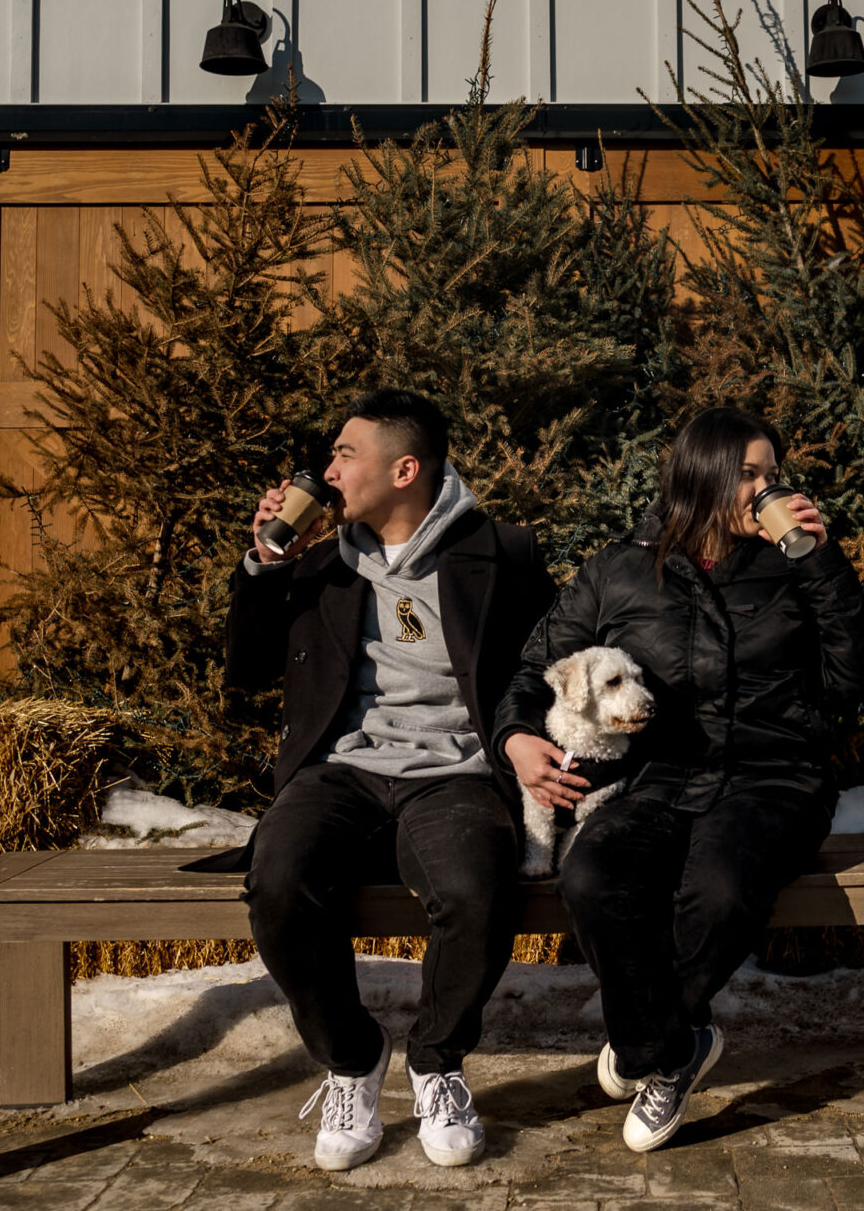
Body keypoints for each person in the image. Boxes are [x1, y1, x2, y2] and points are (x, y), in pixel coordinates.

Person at [493, 406, 864, 1153]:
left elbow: (859, 680)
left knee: (719, 890)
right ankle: (677, 1046)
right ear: (701, 477)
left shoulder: (798, 566)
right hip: (658, 775)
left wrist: (822, 565)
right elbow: (531, 664)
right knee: (592, 875)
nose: (766, 488)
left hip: (774, 777)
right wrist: (516, 737)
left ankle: (650, 1047)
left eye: (773, 473)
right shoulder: (621, 569)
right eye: (749, 473)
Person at [226, 389, 557, 1171]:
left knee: (477, 889)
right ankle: (352, 1057)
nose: (327, 468)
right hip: (341, 769)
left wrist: (514, 740)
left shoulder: (501, 553)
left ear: (405, 469)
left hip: (453, 772)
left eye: (345, 454)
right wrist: (265, 563)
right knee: (276, 878)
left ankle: (437, 1060)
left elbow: (545, 664)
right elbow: (244, 670)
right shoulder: (317, 558)